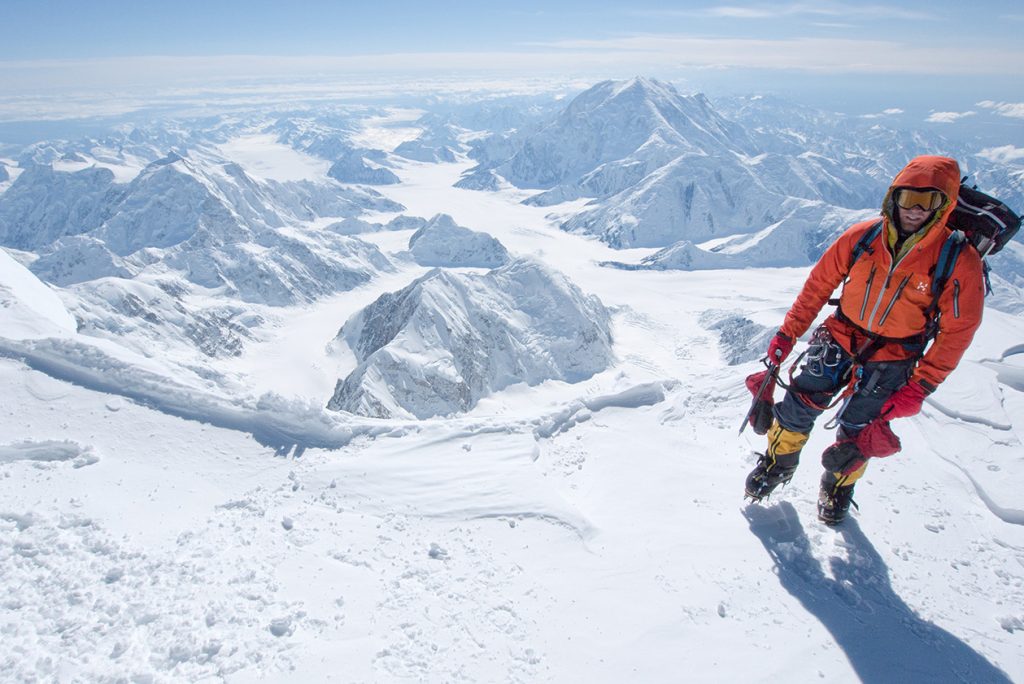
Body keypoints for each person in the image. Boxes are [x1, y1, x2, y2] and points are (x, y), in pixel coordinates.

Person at [744, 155, 986, 524]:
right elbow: (816, 288)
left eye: (928, 201)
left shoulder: (958, 260)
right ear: (894, 198)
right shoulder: (862, 237)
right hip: (839, 337)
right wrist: (787, 334)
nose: (915, 210)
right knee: (796, 407)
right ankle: (778, 464)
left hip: (894, 356)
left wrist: (922, 385)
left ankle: (838, 487)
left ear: (944, 206)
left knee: (859, 430)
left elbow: (958, 330)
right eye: (909, 198)